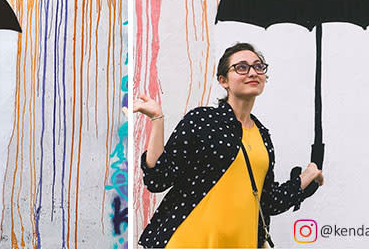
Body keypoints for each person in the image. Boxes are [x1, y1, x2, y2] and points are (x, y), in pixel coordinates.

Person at [134, 42, 324, 248]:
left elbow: (268, 202)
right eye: (241, 67)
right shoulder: (202, 120)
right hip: (186, 241)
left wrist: (306, 177)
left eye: (258, 66)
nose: (252, 72)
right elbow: (158, 179)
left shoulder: (263, 136)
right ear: (223, 81)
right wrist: (157, 120)